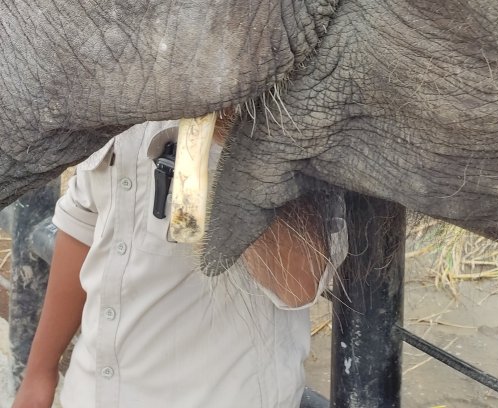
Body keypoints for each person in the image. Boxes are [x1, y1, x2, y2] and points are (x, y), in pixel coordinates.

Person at [13, 119, 345, 408]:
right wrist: (40, 372)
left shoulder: (291, 105)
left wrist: (225, 122)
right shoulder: (117, 72)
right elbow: (83, 222)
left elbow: (297, 283)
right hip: (90, 392)